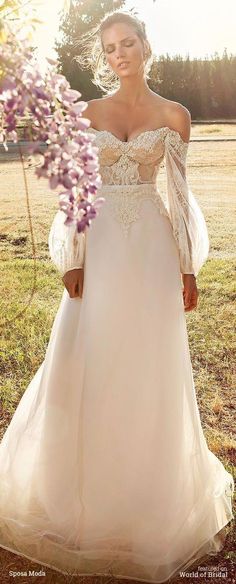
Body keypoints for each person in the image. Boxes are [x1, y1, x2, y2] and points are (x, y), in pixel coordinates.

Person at [0, 10, 234, 583]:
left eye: (127, 43)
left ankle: (144, 493)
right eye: (109, 48)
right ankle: (77, 489)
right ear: (103, 56)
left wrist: (188, 269)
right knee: (87, 357)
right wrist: (73, 258)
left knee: (147, 364)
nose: (119, 54)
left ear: (146, 47)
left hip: (151, 252)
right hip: (100, 248)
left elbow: (179, 199)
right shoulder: (88, 114)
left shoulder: (174, 116)